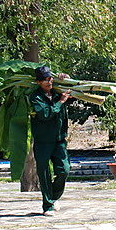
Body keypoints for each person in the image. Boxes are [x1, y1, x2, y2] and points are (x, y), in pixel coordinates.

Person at [30, 65, 71, 216]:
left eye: (50, 78)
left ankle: (53, 198)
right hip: (43, 141)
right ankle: (47, 206)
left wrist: (66, 79)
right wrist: (60, 102)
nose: (48, 82)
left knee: (64, 170)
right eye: (44, 80)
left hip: (59, 139)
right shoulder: (35, 97)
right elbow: (45, 114)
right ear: (38, 82)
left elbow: (73, 93)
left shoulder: (57, 93)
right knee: (44, 173)